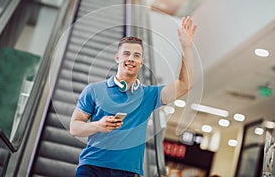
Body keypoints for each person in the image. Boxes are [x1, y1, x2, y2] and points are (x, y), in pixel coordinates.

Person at [70, 16, 198, 177]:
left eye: (136, 55)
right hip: (92, 167)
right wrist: (98, 126)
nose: (131, 58)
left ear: (142, 62)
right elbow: (74, 127)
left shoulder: (149, 95)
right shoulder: (94, 90)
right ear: (118, 57)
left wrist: (187, 48)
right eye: (127, 54)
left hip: (128, 172)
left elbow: (185, 85)